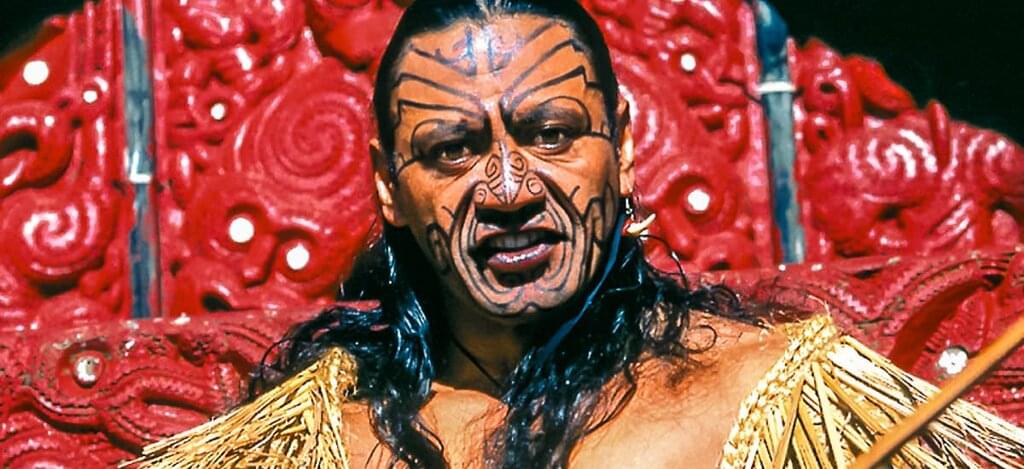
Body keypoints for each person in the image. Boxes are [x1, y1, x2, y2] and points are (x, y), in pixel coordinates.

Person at [130, 1, 1024, 467]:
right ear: (388, 186)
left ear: (622, 149)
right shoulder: (299, 446)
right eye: (452, 149)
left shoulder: (782, 401)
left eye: (552, 134)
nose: (510, 189)